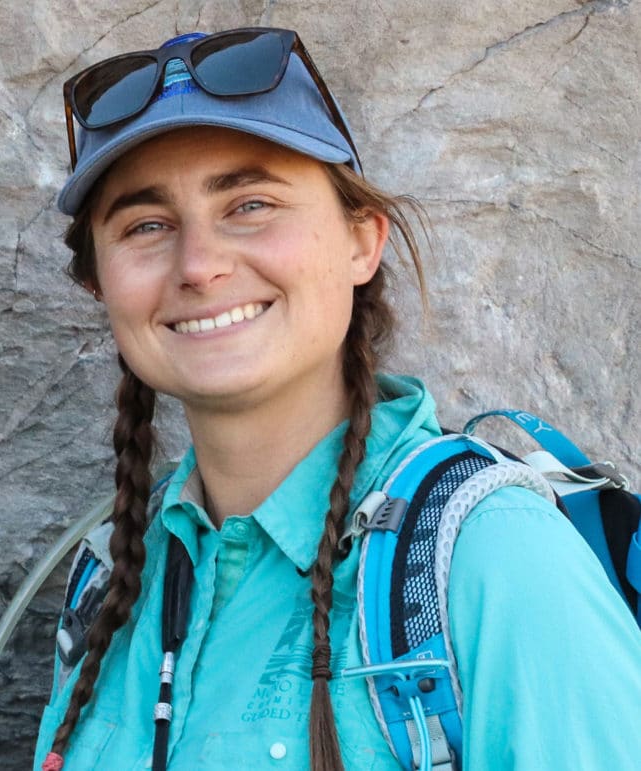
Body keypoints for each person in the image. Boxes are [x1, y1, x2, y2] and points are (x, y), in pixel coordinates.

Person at [34, 27, 641, 771]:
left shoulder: (488, 554)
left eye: (250, 204)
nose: (198, 264)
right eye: (147, 224)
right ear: (100, 282)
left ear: (362, 241)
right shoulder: (110, 579)